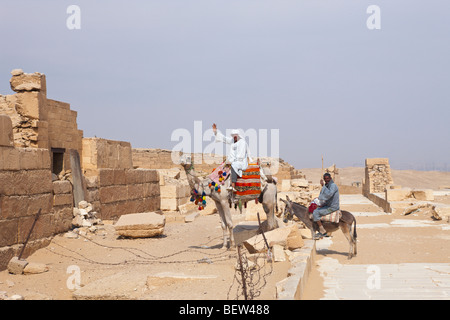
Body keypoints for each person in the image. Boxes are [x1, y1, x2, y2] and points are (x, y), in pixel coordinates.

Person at [212, 123, 253, 192]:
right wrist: (215, 131)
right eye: (233, 136)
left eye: (235, 136)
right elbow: (223, 138)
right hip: (231, 161)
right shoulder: (232, 141)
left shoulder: (242, 143)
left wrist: (233, 161)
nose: (234, 137)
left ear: (238, 136)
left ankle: (232, 185)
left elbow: (242, 155)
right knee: (222, 168)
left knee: (234, 165)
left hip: (240, 162)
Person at [313, 173, 340, 239]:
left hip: (332, 207)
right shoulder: (328, 185)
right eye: (325, 179)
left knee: (315, 212)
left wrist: (323, 186)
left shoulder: (333, 185)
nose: (326, 180)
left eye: (328, 179)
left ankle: (322, 231)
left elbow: (329, 194)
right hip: (328, 204)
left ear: (330, 178)